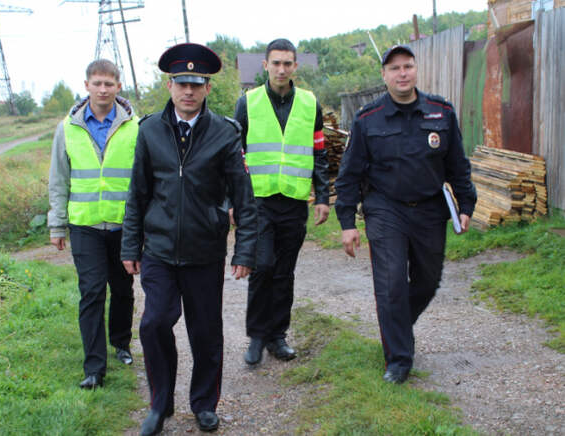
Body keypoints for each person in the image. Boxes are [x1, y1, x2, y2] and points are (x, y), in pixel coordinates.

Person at [120, 43, 258, 435]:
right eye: (181, 83)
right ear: (170, 85)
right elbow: (137, 194)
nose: (188, 92)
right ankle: (160, 405)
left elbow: (244, 199)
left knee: (206, 331)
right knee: (154, 323)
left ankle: (203, 404)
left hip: (204, 251)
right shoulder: (149, 131)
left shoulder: (225, 134)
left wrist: (244, 249)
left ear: (207, 88)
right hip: (160, 250)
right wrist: (131, 246)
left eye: (196, 84)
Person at [335, 45, 477, 384]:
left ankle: (396, 326)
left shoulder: (441, 112)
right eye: (395, 68)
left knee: (428, 281)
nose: (402, 73)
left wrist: (467, 205)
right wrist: (347, 223)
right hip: (386, 210)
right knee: (392, 285)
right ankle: (399, 360)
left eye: (408, 66)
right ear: (384, 75)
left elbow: (457, 163)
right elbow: (350, 173)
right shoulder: (368, 119)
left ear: (416, 70)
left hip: (429, 209)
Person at [233, 38, 330, 365]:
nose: (281, 69)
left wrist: (323, 196)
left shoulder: (309, 103)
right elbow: (235, 155)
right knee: (262, 266)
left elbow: (319, 151)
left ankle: (278, 337)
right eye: (276, 63)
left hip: (294, 200)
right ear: (265, 66)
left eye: (287, 63)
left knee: (284, 272)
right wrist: (235, 199)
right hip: (258, 201)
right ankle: (257, 337)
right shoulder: (247, 103)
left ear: (295, 67)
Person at [47, 59, 138, 389]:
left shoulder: (134, 127)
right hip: (84, 225)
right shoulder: (67, 128)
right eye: (97, 83)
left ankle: (121, 343)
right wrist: (57, 225)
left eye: (109, 84)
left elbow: (143, 180)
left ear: (118, 87)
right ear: (86, 86)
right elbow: (59, 179)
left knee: (123, 289)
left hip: (123, 224)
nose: (103, 89)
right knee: (92, 292)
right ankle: (94, 368)